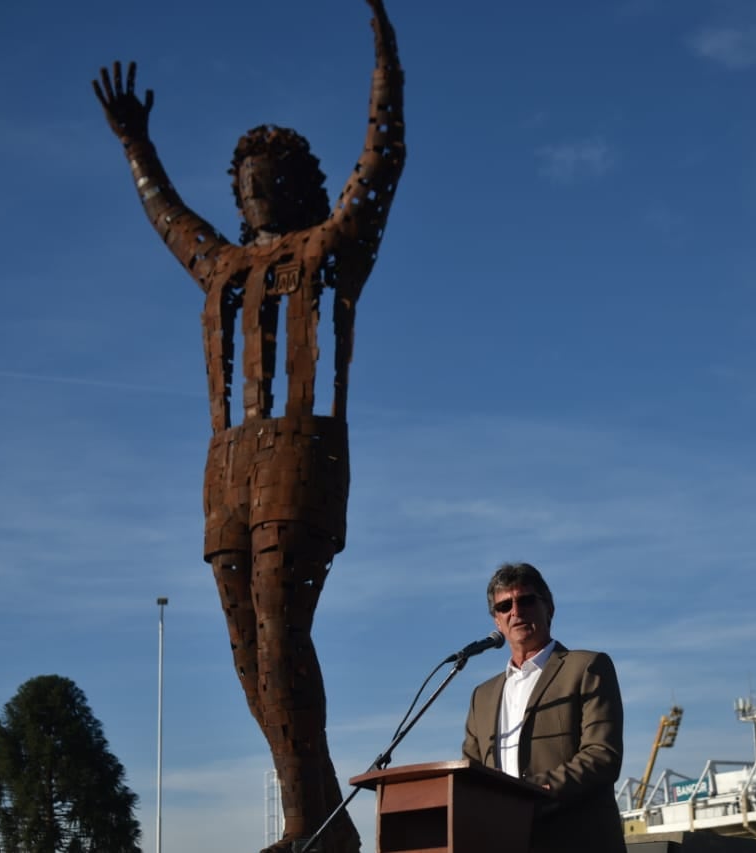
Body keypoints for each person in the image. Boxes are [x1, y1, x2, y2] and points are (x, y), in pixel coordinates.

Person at [92, 3, 405, 852]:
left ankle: (311, 823)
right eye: (247, 178)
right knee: (246, 650)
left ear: (300, 186)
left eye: (271, 173)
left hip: (300, 455)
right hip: (227, 465)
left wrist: (385, 53)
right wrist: (136, 146)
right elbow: (169, 220)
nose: (257, 186)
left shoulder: (334, 247)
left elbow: (382, 158)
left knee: (280, 628)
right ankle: (323, 817)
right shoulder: (222, 268)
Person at [462, 563, 627, 853]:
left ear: (549, 608)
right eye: (504, 606)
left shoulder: (587, 667)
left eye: (525, 600)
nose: (516, 611)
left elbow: (602, 756)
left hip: (575, 840)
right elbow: (469, 778)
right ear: (497, 622)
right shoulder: (482, 697)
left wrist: (528, 794)